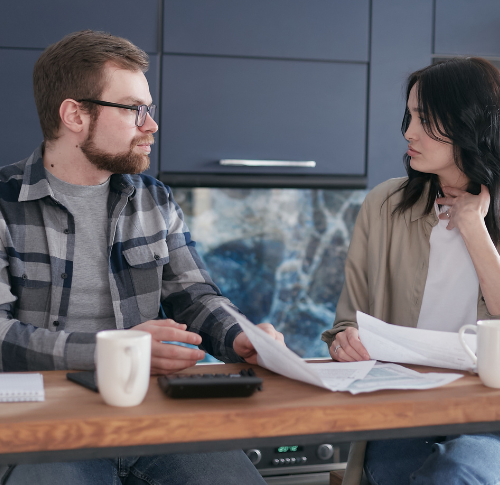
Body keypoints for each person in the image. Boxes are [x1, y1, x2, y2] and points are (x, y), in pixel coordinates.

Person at [0, 30, 284, 485]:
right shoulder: (3, 204)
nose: (150, 125)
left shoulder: (153, 199)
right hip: (45, 423)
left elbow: (194, 296)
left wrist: (243, 338)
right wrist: (120, 350)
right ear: (75, 114)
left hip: (154, 416)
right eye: (135, 110)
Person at [322, 57, 500, 485]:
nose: (408, 132)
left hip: (490, 417)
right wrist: (345, 340)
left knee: (457, 473)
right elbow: (348, 319)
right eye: (410, 115)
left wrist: (474, 227)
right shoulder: (384, 205)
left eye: (425, 118)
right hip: (406, 410)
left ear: (471, 122)